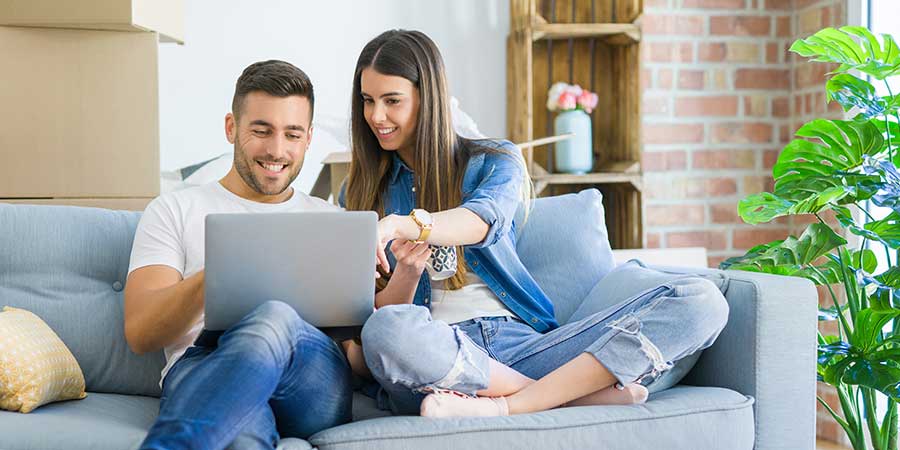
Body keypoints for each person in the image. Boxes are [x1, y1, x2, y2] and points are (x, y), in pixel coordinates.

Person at [341, 29, 730, 418]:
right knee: (385, 332)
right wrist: (406, 276)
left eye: (392, 101)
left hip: (522, 347)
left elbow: (483, 221)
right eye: (368, 101)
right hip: (434, 358)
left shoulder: (494, 160)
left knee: (702, 300)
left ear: (429, 99)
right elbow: (372, 323)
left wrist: (403, 224)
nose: (377, 116)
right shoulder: (357, 193)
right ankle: (569, 395)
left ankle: (506, 405)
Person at [125, 60, 352, 449]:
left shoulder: (333, 221)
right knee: (240, 438)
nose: (277, 150)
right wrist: (216, 277)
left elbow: (357, 353)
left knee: (275, 315)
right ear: (232, 127)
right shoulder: (174, 210)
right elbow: (142, 334)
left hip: (311, 380)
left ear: (309, 138)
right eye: (261, 131)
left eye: (292, 134)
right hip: (204, 366)